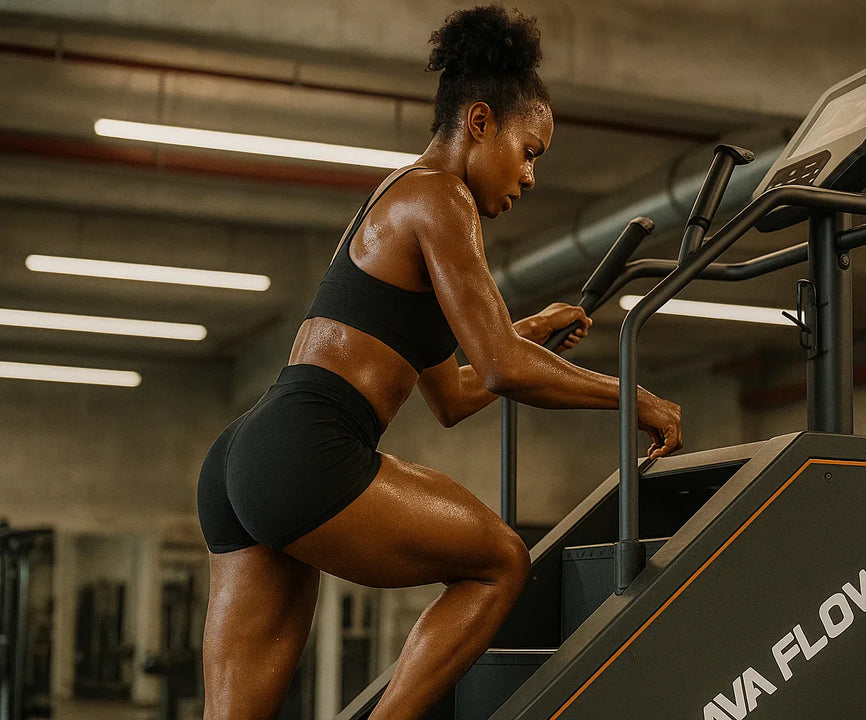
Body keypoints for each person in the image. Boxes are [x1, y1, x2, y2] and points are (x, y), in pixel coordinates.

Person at [195, 5, 682, 719]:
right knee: (501, 561)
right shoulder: (441, 195)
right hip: (307, 450)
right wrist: (634, 396)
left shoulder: (398, 193)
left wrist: (530, 329)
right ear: (480, 122)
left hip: (247, 456)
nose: (531, 176)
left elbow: (453, 394)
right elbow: (502, 367)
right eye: (529, 151)